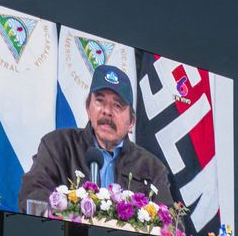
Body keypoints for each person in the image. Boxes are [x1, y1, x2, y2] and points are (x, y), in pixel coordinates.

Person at [18, 64, 174, 213]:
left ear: (131, 122)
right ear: (88, 108)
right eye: (99, 101)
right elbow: (33, 195)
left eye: (117, 105)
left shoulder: (152, 168)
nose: (107, 111)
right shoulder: (57, 146)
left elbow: (172, 224)